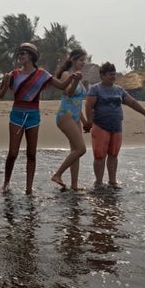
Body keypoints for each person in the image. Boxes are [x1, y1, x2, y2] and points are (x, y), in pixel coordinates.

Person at [0, 42, 82, 195]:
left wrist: (73, 77)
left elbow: (63, 86)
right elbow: (2, 93)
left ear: (31, 55)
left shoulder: (42, 74)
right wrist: (4, 82)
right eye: (19, 53)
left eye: (23, 53)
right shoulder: (14, 74)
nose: (20, 55)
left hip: (33, 115)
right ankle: (6, 183)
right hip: (17, 114)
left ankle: (29, 188)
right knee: (13, 153)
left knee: (32, 154)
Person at [84, 62, 145, 187]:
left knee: (113, 155)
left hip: (116, 127)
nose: (113, 77)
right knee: (99, 156)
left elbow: (132, 102)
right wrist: (89, 121)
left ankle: (112, 181)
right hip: (100, 126)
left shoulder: (119, 90)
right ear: (102, 75)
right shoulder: (96, 89)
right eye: (110, 74)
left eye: (114, 74)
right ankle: (98, 182)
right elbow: (89, 106)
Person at [51, 49, 89, 191]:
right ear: (73, 59)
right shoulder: (67, 74)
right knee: (81, 149)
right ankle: (57, 174)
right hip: (65, 115)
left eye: (84, 60)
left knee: (75, 152)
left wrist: (84, 121)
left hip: (75, 116)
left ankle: (74, 185)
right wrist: (75, 80)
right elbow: (69, 92)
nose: (83, 63)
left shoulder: (79, 77)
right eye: (81, 60)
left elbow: (77, 102)